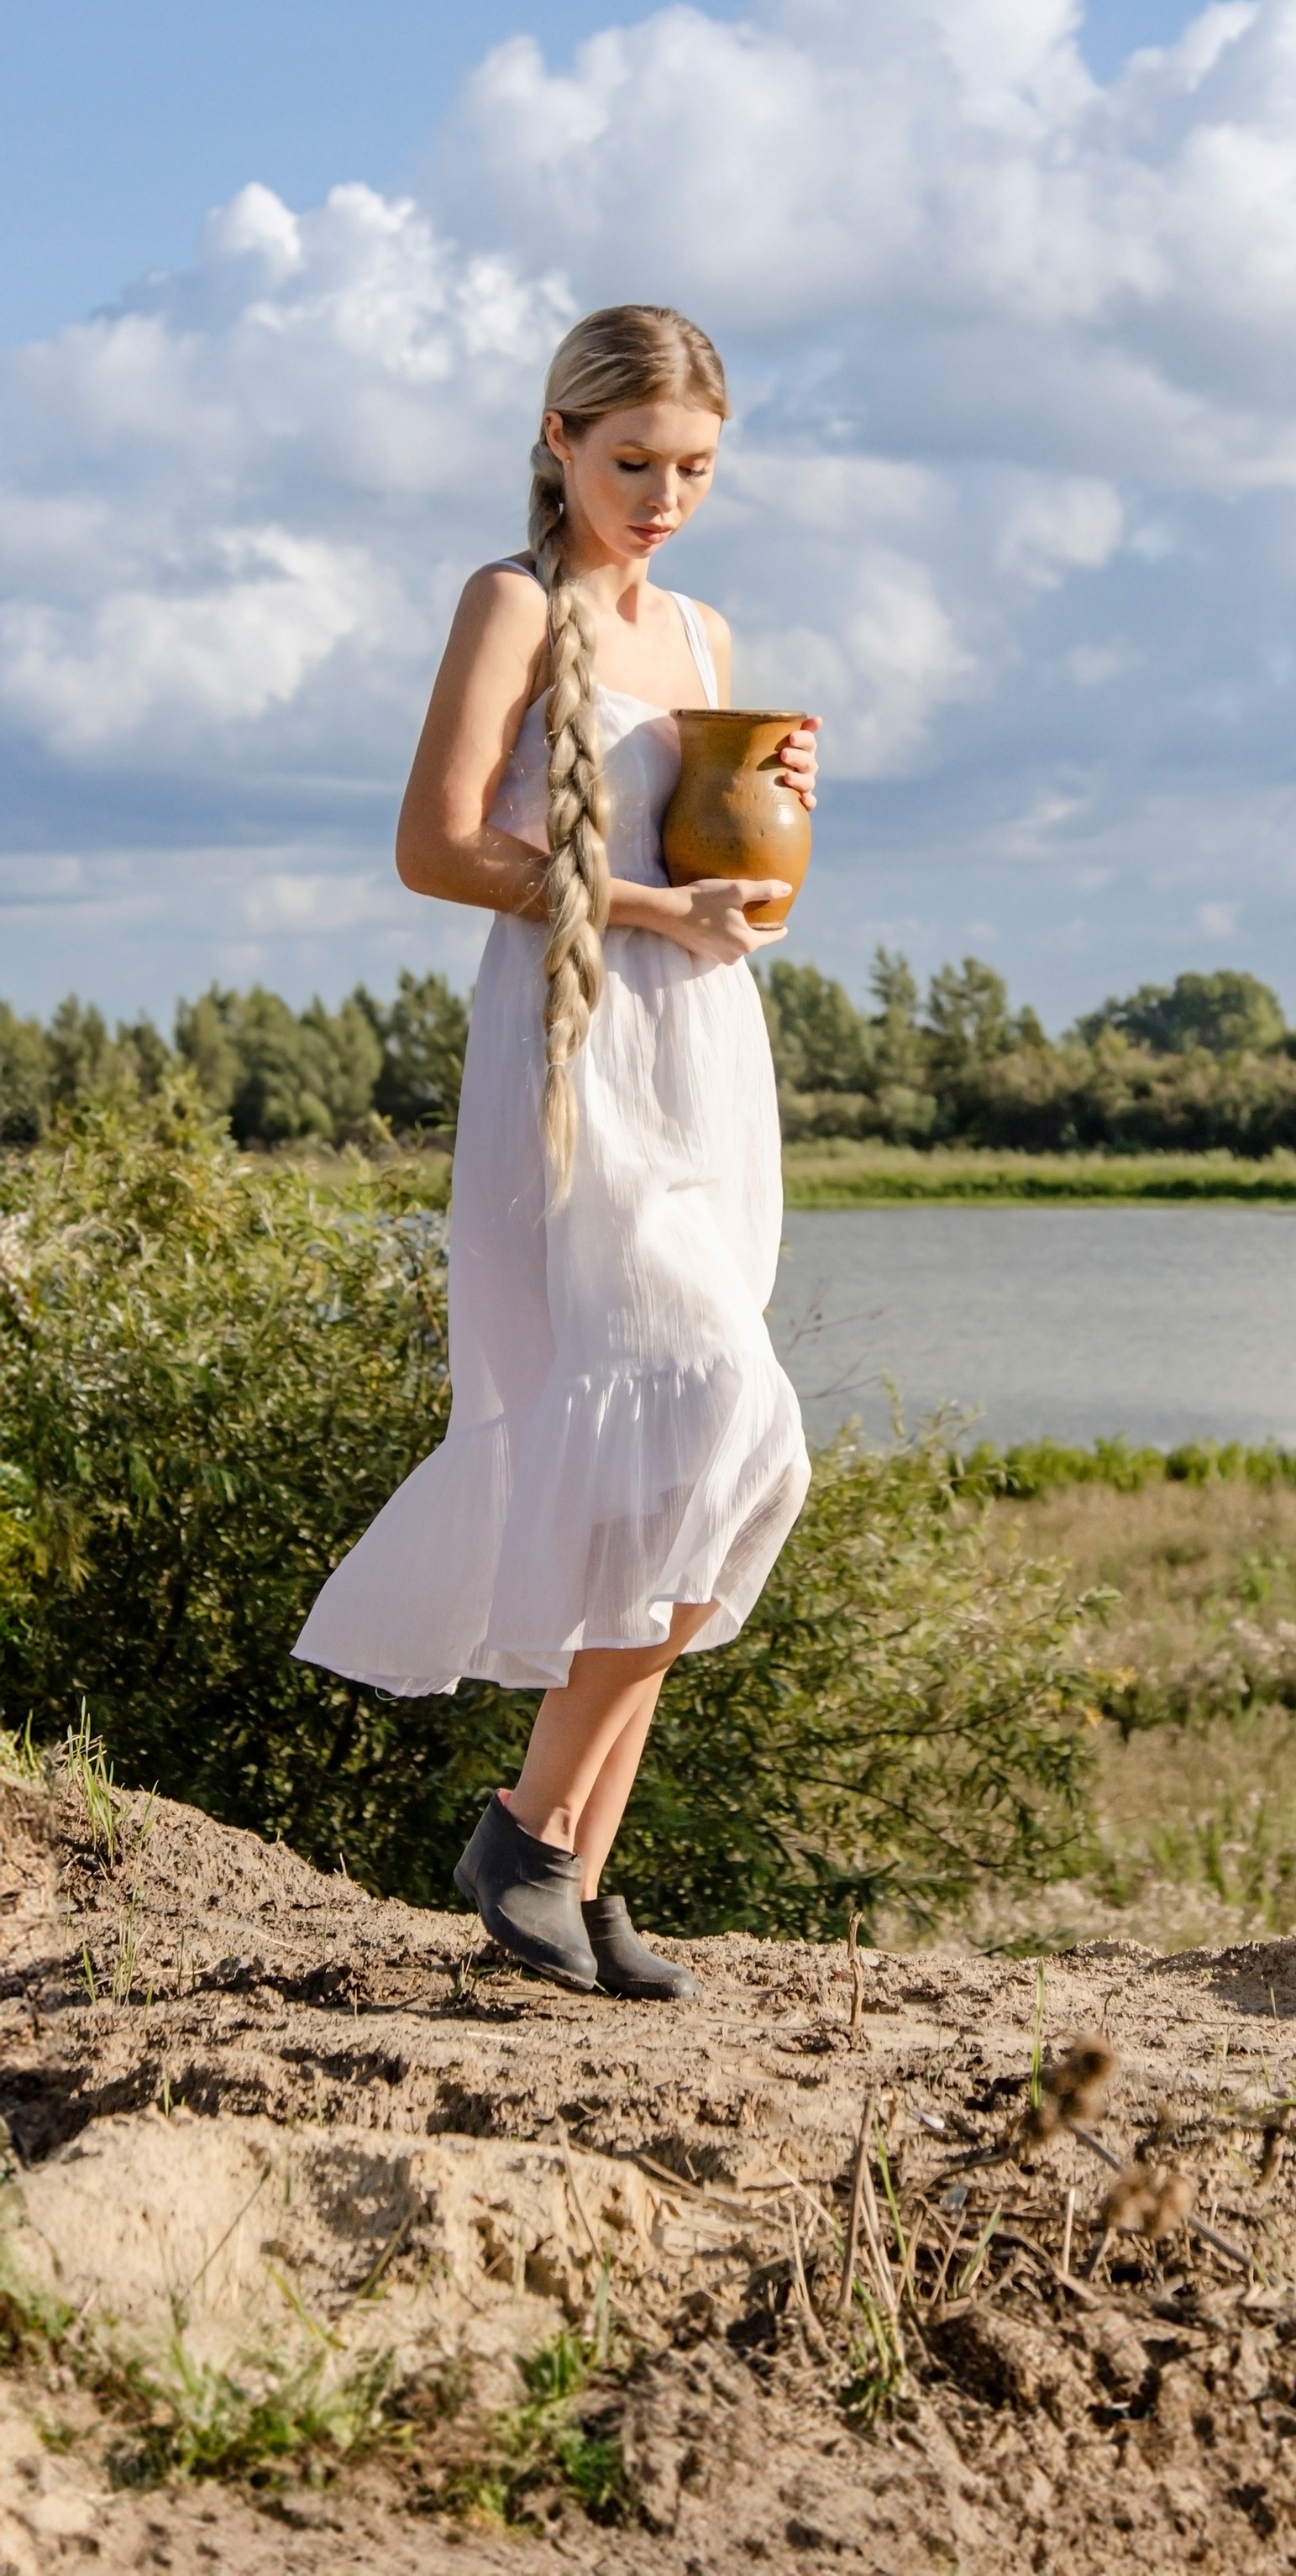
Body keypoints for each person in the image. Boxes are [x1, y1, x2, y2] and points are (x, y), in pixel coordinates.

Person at [296, 304, 818, 2001]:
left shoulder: (710, 630)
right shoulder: (512, 601)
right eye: (630, 462)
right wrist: (649, 900)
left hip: (701, 1052)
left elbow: (728, 873)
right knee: (716, 1412)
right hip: (573, 1050)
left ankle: (580, 1878)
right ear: (555, 439)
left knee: (687, 1465)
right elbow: (435, 847)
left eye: (693, 469)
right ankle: (521, 1835)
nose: (661, 497)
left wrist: (772, 808)